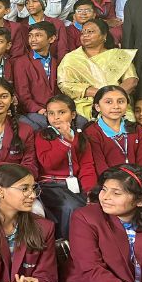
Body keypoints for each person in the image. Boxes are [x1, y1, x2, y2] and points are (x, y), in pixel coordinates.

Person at [36, 94, 96, 238]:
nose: (56, 117)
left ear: (73, 115)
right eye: (51, 113)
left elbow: (87, 167)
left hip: (74, 185)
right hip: (49, 185)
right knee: (71, 207)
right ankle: (65, 244)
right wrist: (65, 141)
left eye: (62, 112)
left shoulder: (80, 138)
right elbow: (48, 163)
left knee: (91, 207)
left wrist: (90, 192)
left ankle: (84, 243)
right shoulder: (42, 136)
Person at [57, 19, 138, 120]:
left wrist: (113, 98)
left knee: (128, 121)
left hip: (118, 104)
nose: (85, 35)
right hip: (85, 105)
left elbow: (131, 80)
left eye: (90, 32)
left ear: (104, 35)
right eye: (83, 33)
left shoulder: (119, 55)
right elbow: (65, 84)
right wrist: (100, 94)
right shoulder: (71, 58)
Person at [83, 86, 142, 175]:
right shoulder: (92, 132)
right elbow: (100, 168)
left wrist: (141, 180)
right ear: (97, 107)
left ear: (127, 105)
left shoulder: (137, 129)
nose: (116, 106)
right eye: (109, 102)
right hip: (109, 181)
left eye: (121, 102)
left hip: (137, 180)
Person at [12, 22, 61, 130]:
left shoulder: (56, 62)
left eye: (38, 35)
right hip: (33, 111)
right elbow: (23, 95)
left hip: (55, 109)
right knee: (48, 127)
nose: (33, 39)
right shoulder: (22, 62)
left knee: (80, 122)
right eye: (30, 36)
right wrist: (40, 110)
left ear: (51, 39)